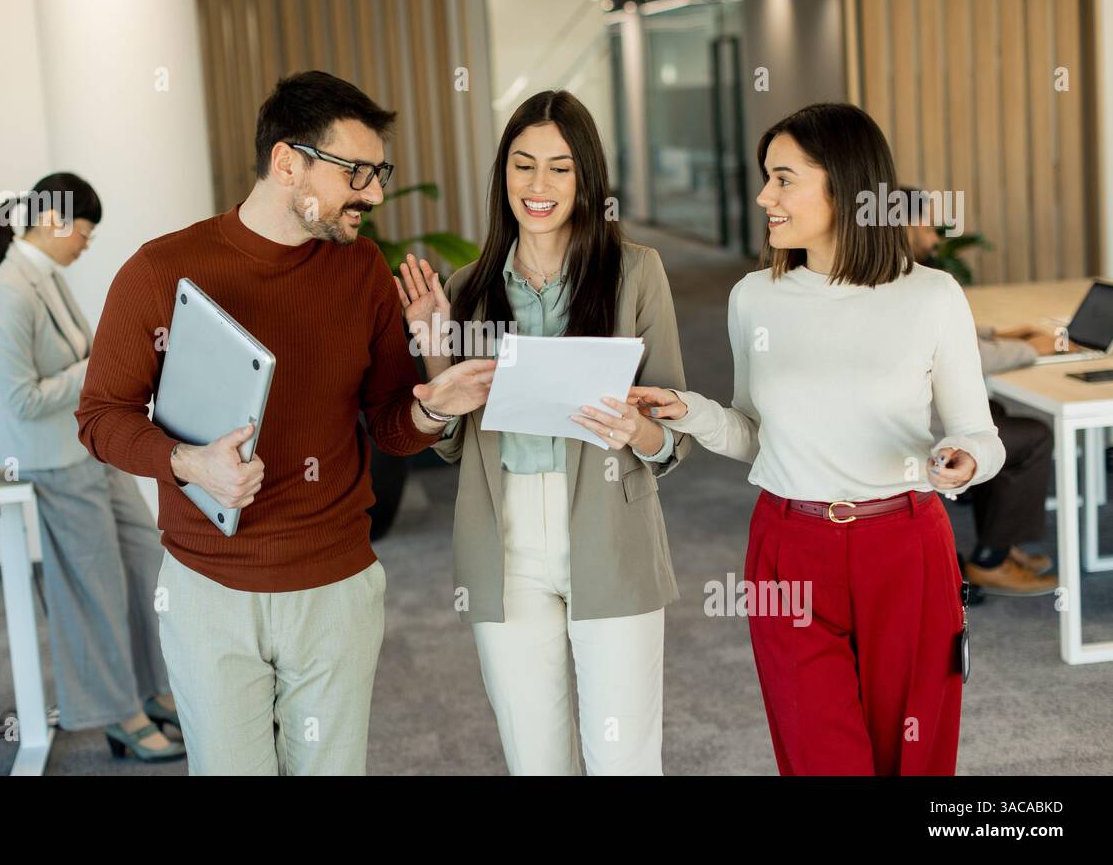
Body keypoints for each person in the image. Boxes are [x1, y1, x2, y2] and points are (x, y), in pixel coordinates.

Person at [75, 71, 494, 775]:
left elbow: (389, 424)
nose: (375, 194)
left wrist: (429, 404)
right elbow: (100, 418)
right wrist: (188, 463)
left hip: (335, 590)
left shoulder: (360, 270)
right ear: (287, 163)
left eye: (379, 172)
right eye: (356, 172)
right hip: (209, 590)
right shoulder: (161, 271)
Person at [631, 104, 1006, 775]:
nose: (762, 197)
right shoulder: (755, 298)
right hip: (789, 551)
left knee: (912, 759)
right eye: (766, 179)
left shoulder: (932, 295)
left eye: (782, 179)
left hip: (906, 551)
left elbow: (979, 430)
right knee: (819, 756)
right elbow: (755, 433)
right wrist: (687, 410)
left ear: (843, 185)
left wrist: (968, 458)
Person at [396, 90, 692, 775]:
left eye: (560, 168)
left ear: (586, 178)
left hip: (609, 531)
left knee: (623, 759)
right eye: (523, 165)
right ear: (502, 174)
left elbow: (675, 433)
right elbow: (452, 445)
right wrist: (435, 345)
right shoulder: (466, 286)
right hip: (503, 547)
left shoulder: (636, 271)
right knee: (535, 760)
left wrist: (637, 431)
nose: (539, 185)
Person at [0, 172, 183, 762]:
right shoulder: (9, 291)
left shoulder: (47, 277)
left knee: (145, 559)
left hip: (91, 445)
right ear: (52, 220)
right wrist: (93, 372)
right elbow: (22, 398)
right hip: (52, 461)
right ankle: (120, 714)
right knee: (95, 588)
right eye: (85, 232)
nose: (87, 244)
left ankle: (150, 688)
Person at [903, 187, 1058, 597]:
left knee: (995, 409)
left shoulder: (895, 276)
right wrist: (1029, 348)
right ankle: (992, 559)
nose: (935, 233)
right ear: (904, 224)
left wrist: (1000, 332)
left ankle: (1000, 542)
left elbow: (945, 334)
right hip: (925, 423)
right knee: (1033, 436)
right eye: (927, 222)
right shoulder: (913, 281)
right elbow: (962, 357)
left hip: (920, 411)